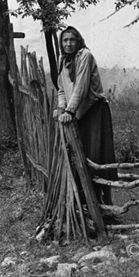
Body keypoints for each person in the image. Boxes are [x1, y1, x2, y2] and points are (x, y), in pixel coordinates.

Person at [57, 26, 118, 206]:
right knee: (81, 155)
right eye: (65, 40)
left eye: (72, 40)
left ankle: (106, 202)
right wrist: (62, 108)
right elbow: (61, 89)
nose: (68, 44)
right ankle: (86, 201)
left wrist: (69, 111)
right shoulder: (62, 59)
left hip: (94, 111)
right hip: (77, 113)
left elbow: (81, 88)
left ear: (78, 41)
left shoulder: (85, 56)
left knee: (98, 155)